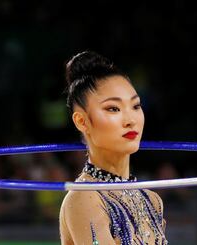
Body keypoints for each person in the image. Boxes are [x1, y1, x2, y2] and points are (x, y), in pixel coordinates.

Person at [59, 51, 167, 244]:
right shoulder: (84, 199)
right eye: (113, 109)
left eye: (135, 106)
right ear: (82, 121)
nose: (130, 120)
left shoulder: (152, 201)